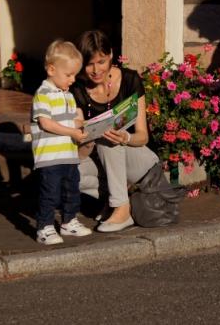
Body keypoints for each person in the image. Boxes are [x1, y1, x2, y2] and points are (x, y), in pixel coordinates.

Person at [71, 30, 159, 232]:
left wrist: (125, 137)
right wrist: (86, 140)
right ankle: (112, 200)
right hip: (104, 160)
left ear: (110, 54)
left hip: (140, 160)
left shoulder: (130, 80)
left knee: (109, 138)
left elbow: (143, 136)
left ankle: (122, 209)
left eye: (101, 61)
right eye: (89, 63)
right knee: (72, 173)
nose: (95, 70)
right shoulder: (78, 90)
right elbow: (80, 151)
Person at [31, 40, 92, 245]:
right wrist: (72, 131)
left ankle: (69, 221)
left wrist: (82, 123)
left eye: (75, 74)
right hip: (50, 156)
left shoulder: (67, 94)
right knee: (50, 193)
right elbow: (46, 123)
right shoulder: (43, 94)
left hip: (68, 154)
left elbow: (73, 119)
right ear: (51, 69)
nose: (73, 79)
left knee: (71, 190)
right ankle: (44, 226)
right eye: (69, 75)